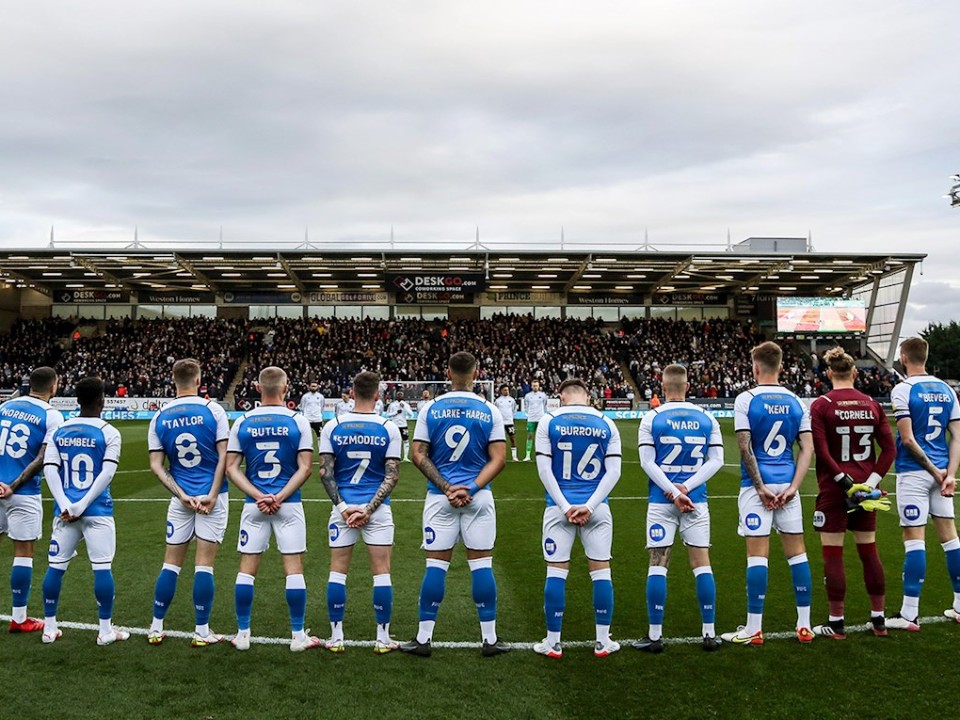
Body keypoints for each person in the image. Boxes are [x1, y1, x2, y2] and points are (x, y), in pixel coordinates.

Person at [401, 352, 508, 657]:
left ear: (447, 373)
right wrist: (471, 487)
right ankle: (489, 639)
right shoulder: (490, 410)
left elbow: (417, 454)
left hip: (440, 498)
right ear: (477, 373)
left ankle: (423, 639)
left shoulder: (431, 408)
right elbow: (499, 459)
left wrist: (447, 487)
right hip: (478, 497)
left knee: (436, 566)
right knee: (481, 565)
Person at [721, 342, 815, 646]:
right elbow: (807, 448)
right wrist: (794, 487)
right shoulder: (798, 402)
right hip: (787, 485)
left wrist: (760, 487)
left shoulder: (746, 399)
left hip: (756, 488)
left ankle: (754, 628)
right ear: (781, 367)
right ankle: (804, 625)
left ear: (755, 367)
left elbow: (745, 446)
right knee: (797, 553)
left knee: (757, 556)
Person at [226, 366, 319, 652]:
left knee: (247, 569)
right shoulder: (298, 421)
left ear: (257, 388)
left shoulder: (242, 422)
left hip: (254, 506)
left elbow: (231, 468)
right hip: (288, 504)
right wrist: (278, 496)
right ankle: (298, 635)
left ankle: (243, 634)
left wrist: (259, 496)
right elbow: (305, 468)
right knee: (293, 568)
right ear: (286, 388)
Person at [635, 364, 724, 653]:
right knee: (702, 564)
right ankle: (709, 633)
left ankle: (655, 636)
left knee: (658, 564)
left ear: (662, 387)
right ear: (687, 386)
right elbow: (717, 460)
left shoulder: (652, 417)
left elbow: (647, 462)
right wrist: (686, 488)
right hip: (696, 500)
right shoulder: (707, 417)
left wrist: (673, 492)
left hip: (662, 501)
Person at [809, 347, 896, 639]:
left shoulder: (821, 405)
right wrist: (870, 484)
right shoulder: (872, 404)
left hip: (835, 490)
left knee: (833, 555)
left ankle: (836, 623)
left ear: (828, 373)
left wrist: (845, 482)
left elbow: (821, 451)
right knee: (869, 552)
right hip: (867, 492)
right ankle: (879, 620)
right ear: (855, 372)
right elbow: (889, 450)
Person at [532, 379, 622, 659]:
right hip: (597, 509)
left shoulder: (549, 421)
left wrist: (566, 506)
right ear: (588, 397)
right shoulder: (606, 422)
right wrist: (590, 506)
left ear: (561, 397)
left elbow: (544, 470)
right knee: (601, 571)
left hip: (558, 508)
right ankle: (602, 641)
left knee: (556, 572)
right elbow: (614, 472)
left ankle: (553, 642)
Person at [146, 358, 230, 647]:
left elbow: (156, 465)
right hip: (211, 498)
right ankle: (201, 631)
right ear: (198, 380)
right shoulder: (213, 410)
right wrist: (213, 493)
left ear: (173, 380)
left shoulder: (160, 416)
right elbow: (225, 456)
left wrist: (180, 494)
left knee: (170, 564)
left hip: (180, 499)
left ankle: (156, 627)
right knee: (204, 566)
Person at [319, 371, 402, 654]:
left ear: (352, 393)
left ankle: (336, 638)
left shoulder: (333, 426)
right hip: (377, 510)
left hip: (342, 509)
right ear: (378, 395)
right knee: (382, 573)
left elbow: (325, 473)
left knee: (337, 571)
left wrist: (343, 508)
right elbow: (392, 476)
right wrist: (368, 510)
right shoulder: (389, 428)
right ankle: (383, 639)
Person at [40, 377, 127, 645]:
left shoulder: (59, 430)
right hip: (97, 510)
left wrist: (66, 504)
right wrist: (82, 504)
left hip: (64, 512)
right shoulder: (109, 432)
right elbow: (107, 473)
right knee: (102, 568)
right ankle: (105, 631)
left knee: (55, 568)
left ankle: (49, 628)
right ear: (102, 400)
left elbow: (49, 469)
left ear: (76, 400)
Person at [886, 337, 960, 631]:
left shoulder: (903, 389)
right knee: (950, 538)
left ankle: (909, 614)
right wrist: (949, 474)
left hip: (915, 473)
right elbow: (957, 436)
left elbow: (907, 439)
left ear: (904, 357)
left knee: (914, 539)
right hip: (943, 473)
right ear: (925, 357)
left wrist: (933, 471)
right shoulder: (947, 389)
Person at [0, 366, 61, 633]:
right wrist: (13, 486)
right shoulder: (51, 415)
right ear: (53, 386)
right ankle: (19, 618)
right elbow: (42, 458)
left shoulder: (5, 406)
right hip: (22, 493)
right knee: (23, 554)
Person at [523, 380, 548, 461]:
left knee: (541, 437)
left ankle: (542, 455)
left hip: (541, 418)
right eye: (534, 386)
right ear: (531, 386)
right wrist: (529, 414)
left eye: (536, 385)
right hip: (531, 418)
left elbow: (545, 405)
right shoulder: (528, 396)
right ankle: (527, 455)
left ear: (539, 386)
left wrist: (542, 414)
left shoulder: (543, 395)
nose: (535, 387)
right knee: (530, 436)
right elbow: (526, 406)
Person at [385, 391, 414, 462]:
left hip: (403, 425)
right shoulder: (392, 405)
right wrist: (396, 412)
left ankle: (405, 457)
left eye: (401, 395)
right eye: (398, 395)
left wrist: (404, 407)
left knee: (406, 441)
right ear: (396, 396)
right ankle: (395, 456)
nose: (400, 396)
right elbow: (388, 414)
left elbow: (411, 414)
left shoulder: (406, 405)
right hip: (394, 425)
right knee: (393, 441)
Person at [494, 385, 519, 462]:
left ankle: (514, 456)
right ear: (501, 391)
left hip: (510, 422)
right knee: (499, 440)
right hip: (500, 423)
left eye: (507, 390)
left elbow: (514, 410)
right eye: (505, 390)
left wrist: (512, 417)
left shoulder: (511, 400)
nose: (506, 391)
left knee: (512, 438)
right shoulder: (498, 401)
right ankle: (498, 456)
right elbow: (495, 411)